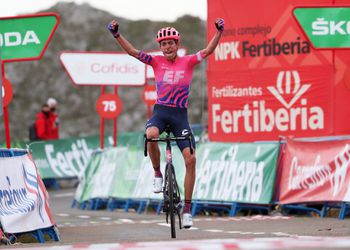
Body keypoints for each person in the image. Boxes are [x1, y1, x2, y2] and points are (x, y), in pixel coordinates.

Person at [108, 18, 224, 228]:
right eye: (163, 44)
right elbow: (133, 52)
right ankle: (157, 173)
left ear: (177, 45)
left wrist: (219, 33)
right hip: (160, 113)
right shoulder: (155, 62)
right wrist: (116, 34)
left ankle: (187, 209)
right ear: (160, 48)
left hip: (180, 116)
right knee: (151, 135)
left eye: (171, 43)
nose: (167, 46)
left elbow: (207, 51)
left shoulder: (188, 61)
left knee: (190, 160)